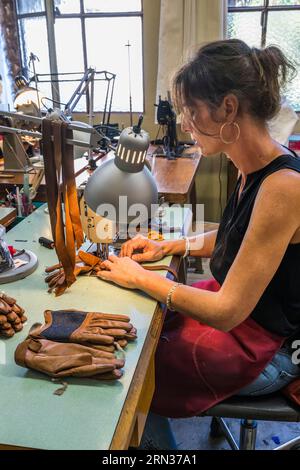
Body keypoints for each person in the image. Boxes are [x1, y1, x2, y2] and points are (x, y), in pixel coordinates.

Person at [97, 39, 300, 449]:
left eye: (191, 110)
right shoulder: (253, 164)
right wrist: (170, 248)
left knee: (132, 371)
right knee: (144, 331)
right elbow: (237, 236)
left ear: (228, 108)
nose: (185, 123)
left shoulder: (284, 187)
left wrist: (140, 278)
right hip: (248, 316)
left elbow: (226, 313)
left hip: (270, 347)